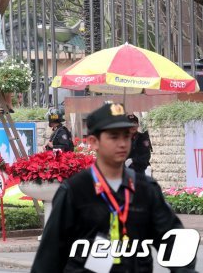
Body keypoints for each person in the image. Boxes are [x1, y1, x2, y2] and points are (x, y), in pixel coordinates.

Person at [32, 102, 197, 272]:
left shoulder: (146, 190)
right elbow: (48, 258)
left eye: (126, 136)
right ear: (93, 142)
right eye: (114, 136)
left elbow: (174, 243)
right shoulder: (75, 191)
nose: (122, 143)